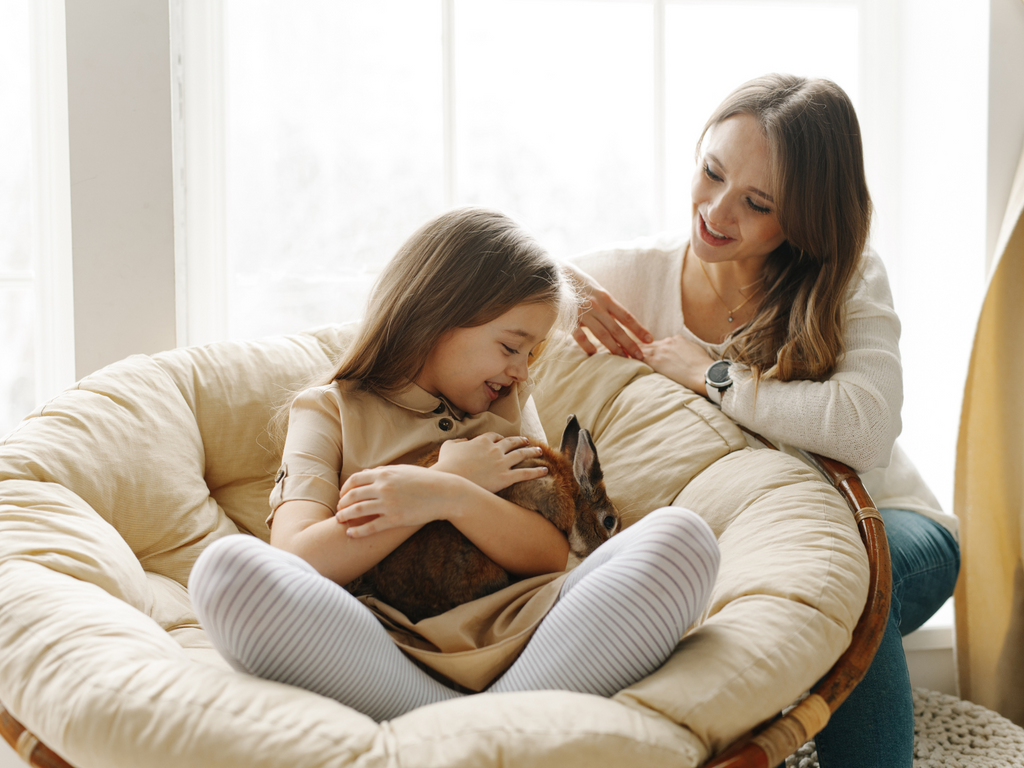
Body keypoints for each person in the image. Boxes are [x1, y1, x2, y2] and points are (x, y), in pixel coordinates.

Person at [189, 206, 720, 723]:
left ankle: (471, 715)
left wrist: (453, 496)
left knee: (684, 540)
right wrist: (430, 484)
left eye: (531, 354)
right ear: (435, 315)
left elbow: (548, 553)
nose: (519, 370)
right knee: (226, 574)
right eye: (512, 346)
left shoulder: (507, 404)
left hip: (532, 632)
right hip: (383, 648)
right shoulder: (327, 411)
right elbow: (299, 558)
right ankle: (472, 716)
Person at [565, 74, 960, 768]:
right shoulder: (634, 279)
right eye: (711, 172)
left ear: (804, 218)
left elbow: (866, 428)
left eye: (757, 202)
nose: (716, 211)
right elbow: (481, 270)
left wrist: (714, 376)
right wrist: (556, 283)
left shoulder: (848, 277)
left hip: (887, 525)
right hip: (738, 549)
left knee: (847, 573)